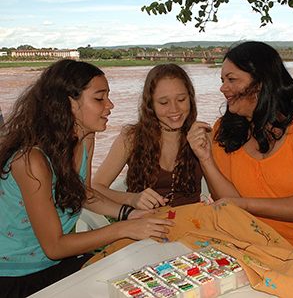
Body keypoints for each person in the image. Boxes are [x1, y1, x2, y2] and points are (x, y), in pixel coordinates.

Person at [0, 59, 174, 298]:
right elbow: (54, 246)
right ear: (69, 104)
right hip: (16, 276)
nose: (110, 105)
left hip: (59, 264)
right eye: (99, 98)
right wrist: (126, 228)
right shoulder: (31, 159)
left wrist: (129, 213)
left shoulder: (84, 139)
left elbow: (81, 193)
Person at [188, 41, 293, 248]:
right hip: (261, 243)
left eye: (231, 79)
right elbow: (231, 204)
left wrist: (246, 204)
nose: (223, 88)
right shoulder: (225, 129)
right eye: (222, 80)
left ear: (260, 83)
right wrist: (205, 158)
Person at [92, 64, 202, 210]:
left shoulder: (202, 135)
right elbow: (96, 187)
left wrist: (205, 158)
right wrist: (132, 199)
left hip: (191, 224)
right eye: (164, 102)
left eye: (181, 100)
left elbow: (221, 194)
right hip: (142, 226)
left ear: (190, 98)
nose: (174, 109)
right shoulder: (131, 137)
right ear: (150, 104)